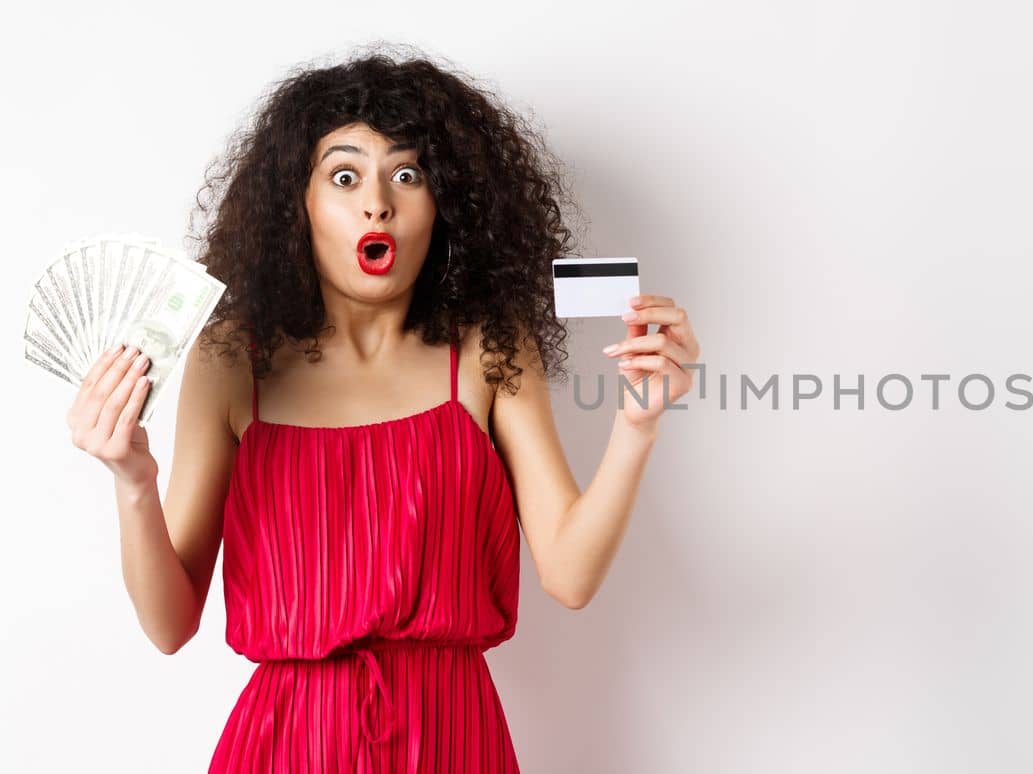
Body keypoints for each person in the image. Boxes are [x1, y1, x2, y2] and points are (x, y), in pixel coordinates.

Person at [62, 46, 700, 772]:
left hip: (453, 741)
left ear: (447, 202)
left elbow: (570, 576)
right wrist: (133, 482)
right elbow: (170, 626)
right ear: (296, 205)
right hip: (286, 745)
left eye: (408, 173)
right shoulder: (232, 361)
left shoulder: (489, 349)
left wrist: (637, 426)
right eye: (344, 176)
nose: (378, 203)